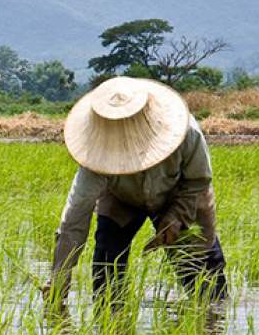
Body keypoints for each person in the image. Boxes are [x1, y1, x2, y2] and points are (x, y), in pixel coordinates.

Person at [42, 76, 227, 315]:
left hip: (180, 194)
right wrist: (59, 280)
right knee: (107, 271)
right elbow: (74, 220)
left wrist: (175, 217)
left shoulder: (186, 132)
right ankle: (112, 330)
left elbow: (198, 181)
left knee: (206, 279)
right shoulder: (95, 157)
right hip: (121, 199)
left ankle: (211, 326)